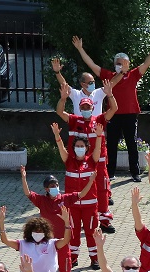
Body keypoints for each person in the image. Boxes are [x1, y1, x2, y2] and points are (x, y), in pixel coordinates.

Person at [73, 35, 150, 183]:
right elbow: (91, 64)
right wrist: (80, 49)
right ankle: (110, 172)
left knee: (131, 144)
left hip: (130, 114)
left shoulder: (133, 74)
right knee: (111, 145)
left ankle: (135, 173)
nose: (119, 65)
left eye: (122, 63)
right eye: (117, 63)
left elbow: (146, 63)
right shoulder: (108, 75)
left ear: (127, 64)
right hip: (113, 115)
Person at [53, 75, 119, 236]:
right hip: (80, 162)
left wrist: (110, 95)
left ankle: (104, 219)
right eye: (83, 108)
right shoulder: (75, 120)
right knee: (78, 188)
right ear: (79, 109)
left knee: (102, 190)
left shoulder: (99, 119)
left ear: (93, 107)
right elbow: (60, 111)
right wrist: (62, 98)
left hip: (99, 161)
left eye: (88, 107)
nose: (86, 110)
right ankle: (76, 218)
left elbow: (114, 109)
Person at [20, 165, 94, 272]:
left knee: (66, 270)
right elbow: (28, 193)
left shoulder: (65, 199)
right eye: (52, 186)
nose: (55, 187)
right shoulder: (42, 200)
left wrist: (90, 181)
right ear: (46, 189)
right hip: (46, 244)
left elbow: (81, 194)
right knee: (43, 271)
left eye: (57, 185)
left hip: (62, 242)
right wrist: (24, 177)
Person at [48, 121, 99, 272]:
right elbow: (61, 149)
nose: (79, 149)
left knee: (91, 231)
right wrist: (57, 135)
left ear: (86, 148)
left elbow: (97, 149)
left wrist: (99, 136)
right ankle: (73, 257)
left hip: (90, 205)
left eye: (82, 146)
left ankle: (94, 258)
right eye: (77, 146)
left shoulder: (91, 161)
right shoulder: (69, 161)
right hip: (72, 205)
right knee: (73, 231)